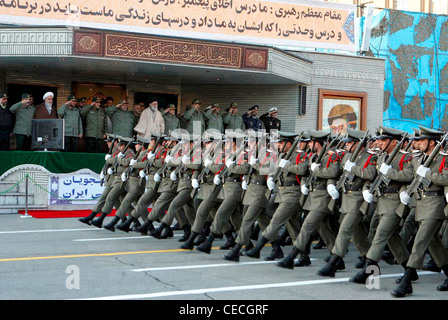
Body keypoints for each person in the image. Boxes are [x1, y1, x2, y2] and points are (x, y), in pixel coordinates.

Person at [350, 126, 413, 285]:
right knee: (392, 238)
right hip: (381, 201)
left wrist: (390, 172)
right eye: (378, 139)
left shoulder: (404, 158)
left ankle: (369, 268)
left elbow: (409, 176)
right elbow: (371, 178)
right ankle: (409, 270)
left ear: (394, 142)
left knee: (380, 235)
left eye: (382, 140)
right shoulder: (381, 157)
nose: (378, 142)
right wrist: (366, 190)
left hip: (394, 202)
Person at [391, 126, 448, 297]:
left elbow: (445, 178)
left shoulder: (443, 159)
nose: (417, 143)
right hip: (421, 203)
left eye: (421, 140)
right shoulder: (417, 159)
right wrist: (405, 192)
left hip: (435, 203)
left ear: (432, 143)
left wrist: (428, 173)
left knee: (420, 241)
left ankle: (407, 281)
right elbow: (413, 178)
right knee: (433, 243)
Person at [277, 129, 342, 269]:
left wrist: (317, 170)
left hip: (323, 197)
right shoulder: (313, 157)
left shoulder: (331, 156)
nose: (309, 144)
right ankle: (338, 259)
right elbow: (306, 173)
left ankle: (292, 256)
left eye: (312, 142)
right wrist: (304, 184)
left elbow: (334, 172)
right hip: (312, 197)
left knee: (307, 226)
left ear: (318, 143)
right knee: (324, 230)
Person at [316, 129, 377, 277]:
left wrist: (353, 168)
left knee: (344, 230)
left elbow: (370, 174)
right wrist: (331, 184)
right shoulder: (346, 156)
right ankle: (369, 258)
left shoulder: (370, 156)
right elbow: (337, 172)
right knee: (357, 232)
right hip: (346, 197)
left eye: (350, 143)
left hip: (358, 197)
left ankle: (334, 263)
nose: (347, 145)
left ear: (358, 144)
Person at [244, 132, 309, 260]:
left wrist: (287, 165)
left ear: (288, 144)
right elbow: (273, 169)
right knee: (293, 226)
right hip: (282, 193)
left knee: (276, 221)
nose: (278, 145)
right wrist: (271, 178)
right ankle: (303, 255)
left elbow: (302, 170)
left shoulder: (300, 155)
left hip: (293, 193)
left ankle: (258, 248)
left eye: (280, 143)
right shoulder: (281, 156)